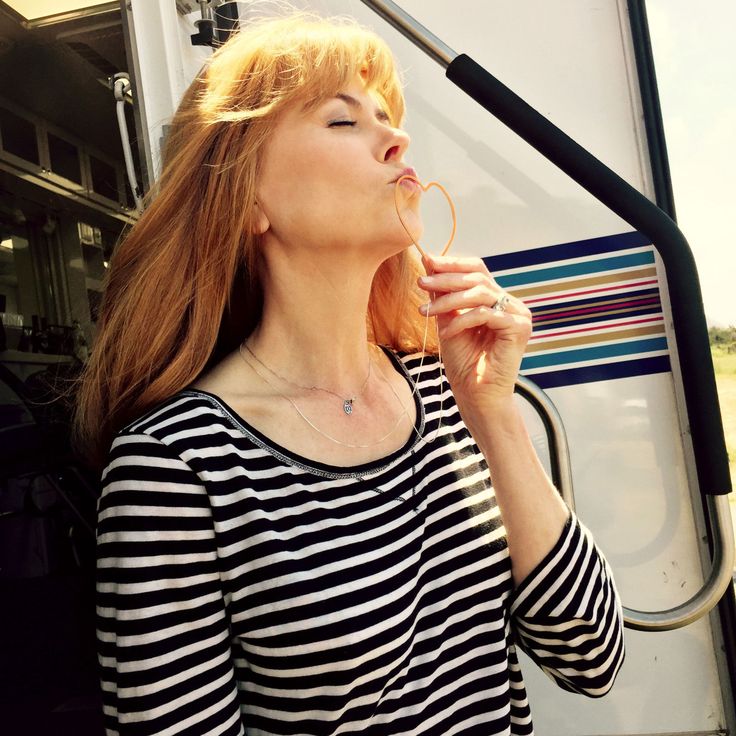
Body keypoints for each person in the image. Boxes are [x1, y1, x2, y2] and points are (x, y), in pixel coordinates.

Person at [75, 12, 624, 736]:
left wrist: (495, 418)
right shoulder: (175, 466)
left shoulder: (444, 392)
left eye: (388, 117)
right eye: (342, 122)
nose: (396, 137)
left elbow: (590, 656)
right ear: (248, 201)